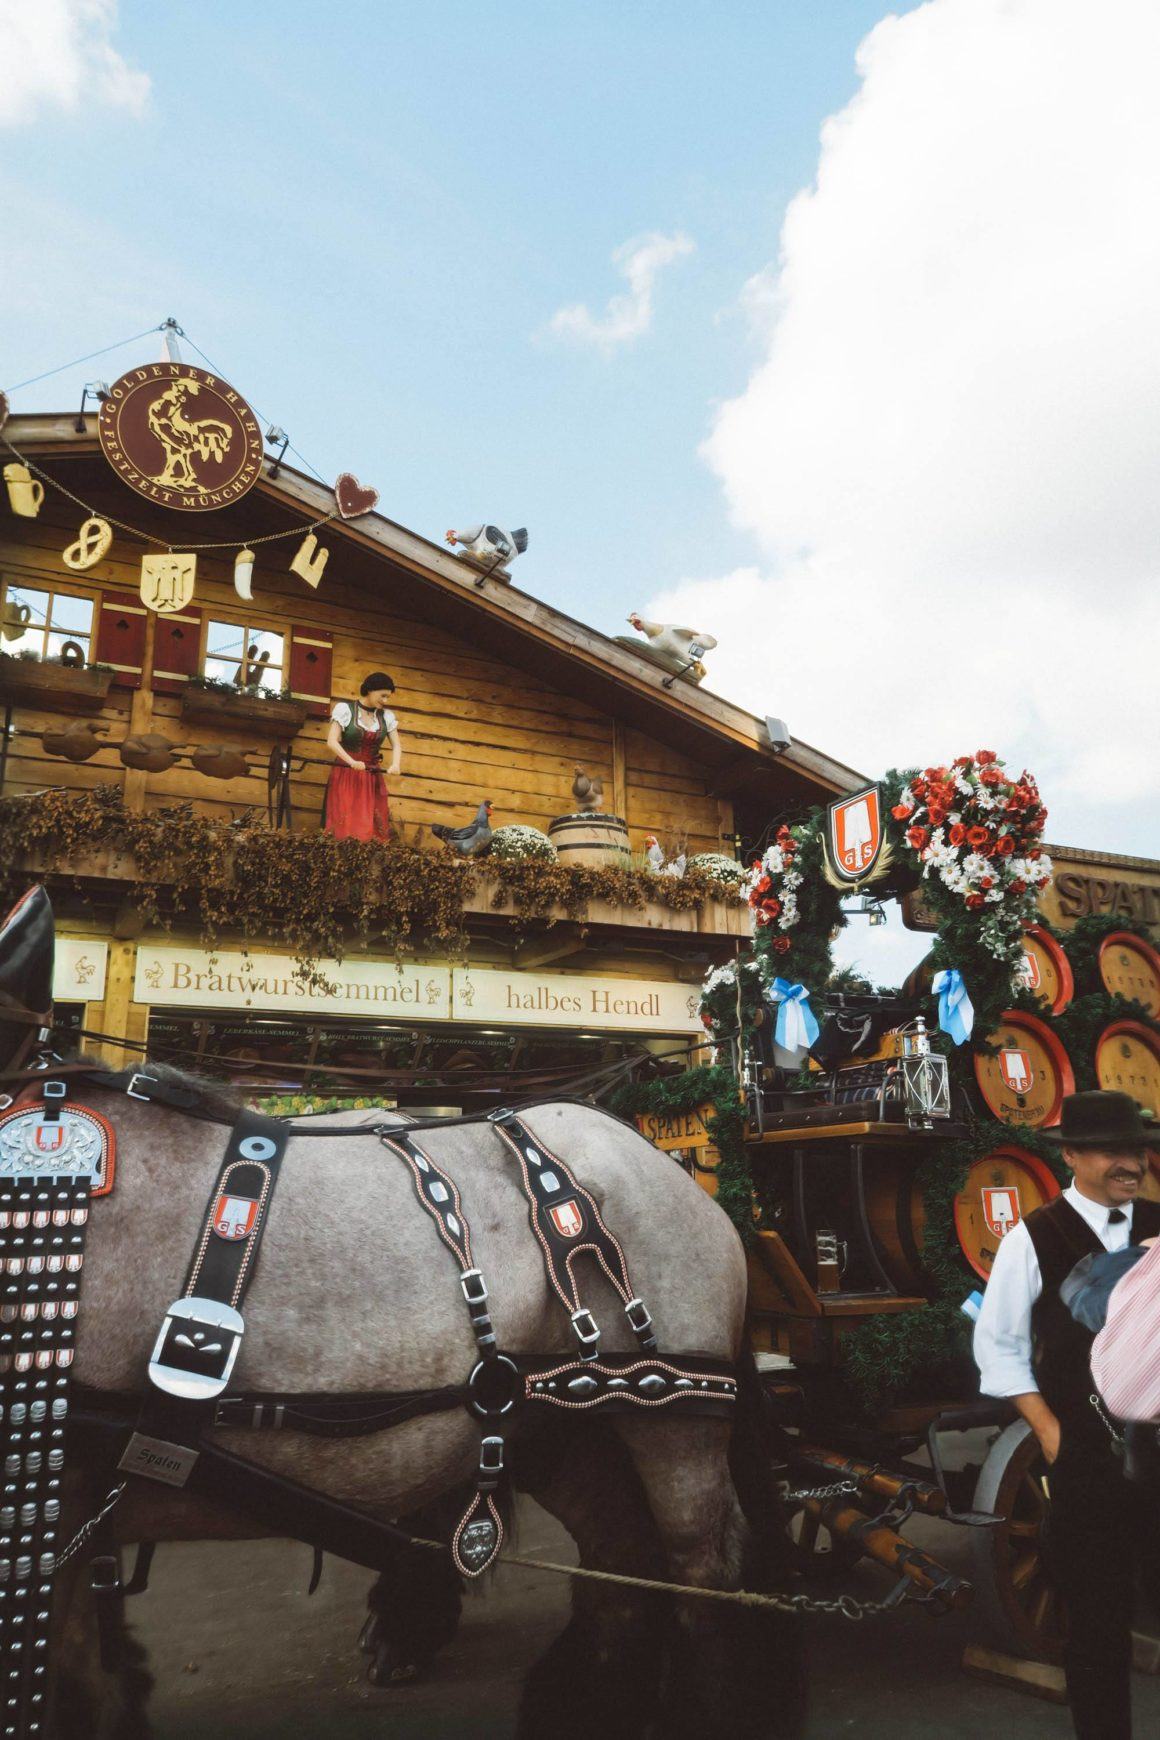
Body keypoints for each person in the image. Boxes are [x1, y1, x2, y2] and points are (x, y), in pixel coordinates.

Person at [974, 1090, 1160, 1739]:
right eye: (1112, 1151)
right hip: (1086, 1461)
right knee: (1098, 1629)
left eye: (1137, 1149)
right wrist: (1052, 1435)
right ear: (1072, 1155)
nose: (1131, 1163)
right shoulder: (1034, 1238)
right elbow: (998, 1347)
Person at [322, 672, 401, 841]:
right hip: (346, 772)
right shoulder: (346, 710)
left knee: (373, 821)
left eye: (388, 697)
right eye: (383, 695)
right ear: (370, 690)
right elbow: (332, 741)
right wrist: (352, 762)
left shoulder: (386, 716)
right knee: (347, 818)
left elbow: (396, 745)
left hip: (371, 774)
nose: (385, 701)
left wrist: (396, 764)